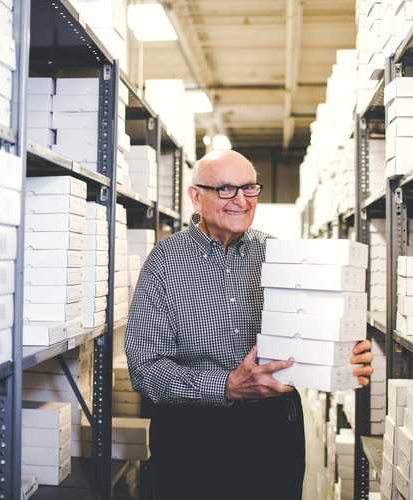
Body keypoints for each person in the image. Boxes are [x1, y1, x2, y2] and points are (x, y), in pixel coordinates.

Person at [125, 149, 374, 500]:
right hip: (193, 436)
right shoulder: (164, 262)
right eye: (226, 189)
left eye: (250, 188)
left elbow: (311, 332)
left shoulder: (280, 255)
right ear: (196, 196)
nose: (241, 200)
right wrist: (226, 385)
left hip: (274, 430)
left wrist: (343, 357)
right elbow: (144, 369)